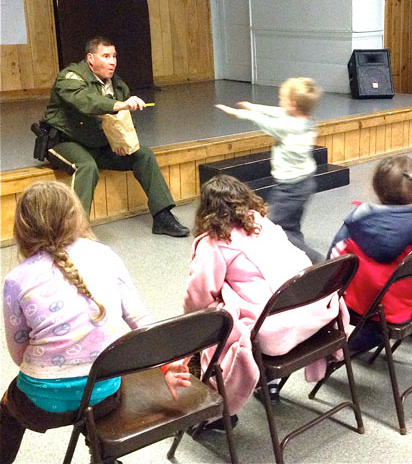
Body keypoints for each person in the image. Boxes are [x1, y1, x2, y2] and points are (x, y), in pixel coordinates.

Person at [0, 182, 187, 464]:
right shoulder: (105, 255)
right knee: (91, 401)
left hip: (41, 402)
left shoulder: (15, 280)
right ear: (75, 216)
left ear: (23, 228)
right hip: (103, 396)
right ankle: (104, 458)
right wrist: (167, 364)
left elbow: (18, 354)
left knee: (6, 413)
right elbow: (141, 320)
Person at [182, 175, 348, 424]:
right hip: (318, 317)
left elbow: (199, 296)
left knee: (213, 322)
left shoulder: (213, 243)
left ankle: (217, 407)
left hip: (273, 335)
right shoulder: (262, 222)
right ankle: (267, 382)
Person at [41, 36, 189, 237]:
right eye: (106, 56)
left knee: (143, 154)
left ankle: (163, 216)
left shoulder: (118, 85)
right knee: (86, 166)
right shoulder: (71, 77)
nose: (112, 61)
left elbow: (123, 122)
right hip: (64, 140)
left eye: (114, 56)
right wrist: (118, 105)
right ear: (91, 58)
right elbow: (86, 101)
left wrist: (121, 141)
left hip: (98, 143)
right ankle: (74, 230)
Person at [328, 156, 412, 353]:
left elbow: (333, 262)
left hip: (359, 303)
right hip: (400, 309)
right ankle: (359, 343)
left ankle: (350, 345)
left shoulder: (356, 220)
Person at [215, 77, 323, 263]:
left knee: (272, 228)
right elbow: (279, 112)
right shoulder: (303, 119)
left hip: (291, 188)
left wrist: (238, 113)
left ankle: (317, 261)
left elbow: (266, 121)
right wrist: (253, 106)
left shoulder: (289, 127)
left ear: (293, 104)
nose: (279, 102)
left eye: (282, 98)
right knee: (290, 226)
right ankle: (298, 261)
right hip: (304, 182)